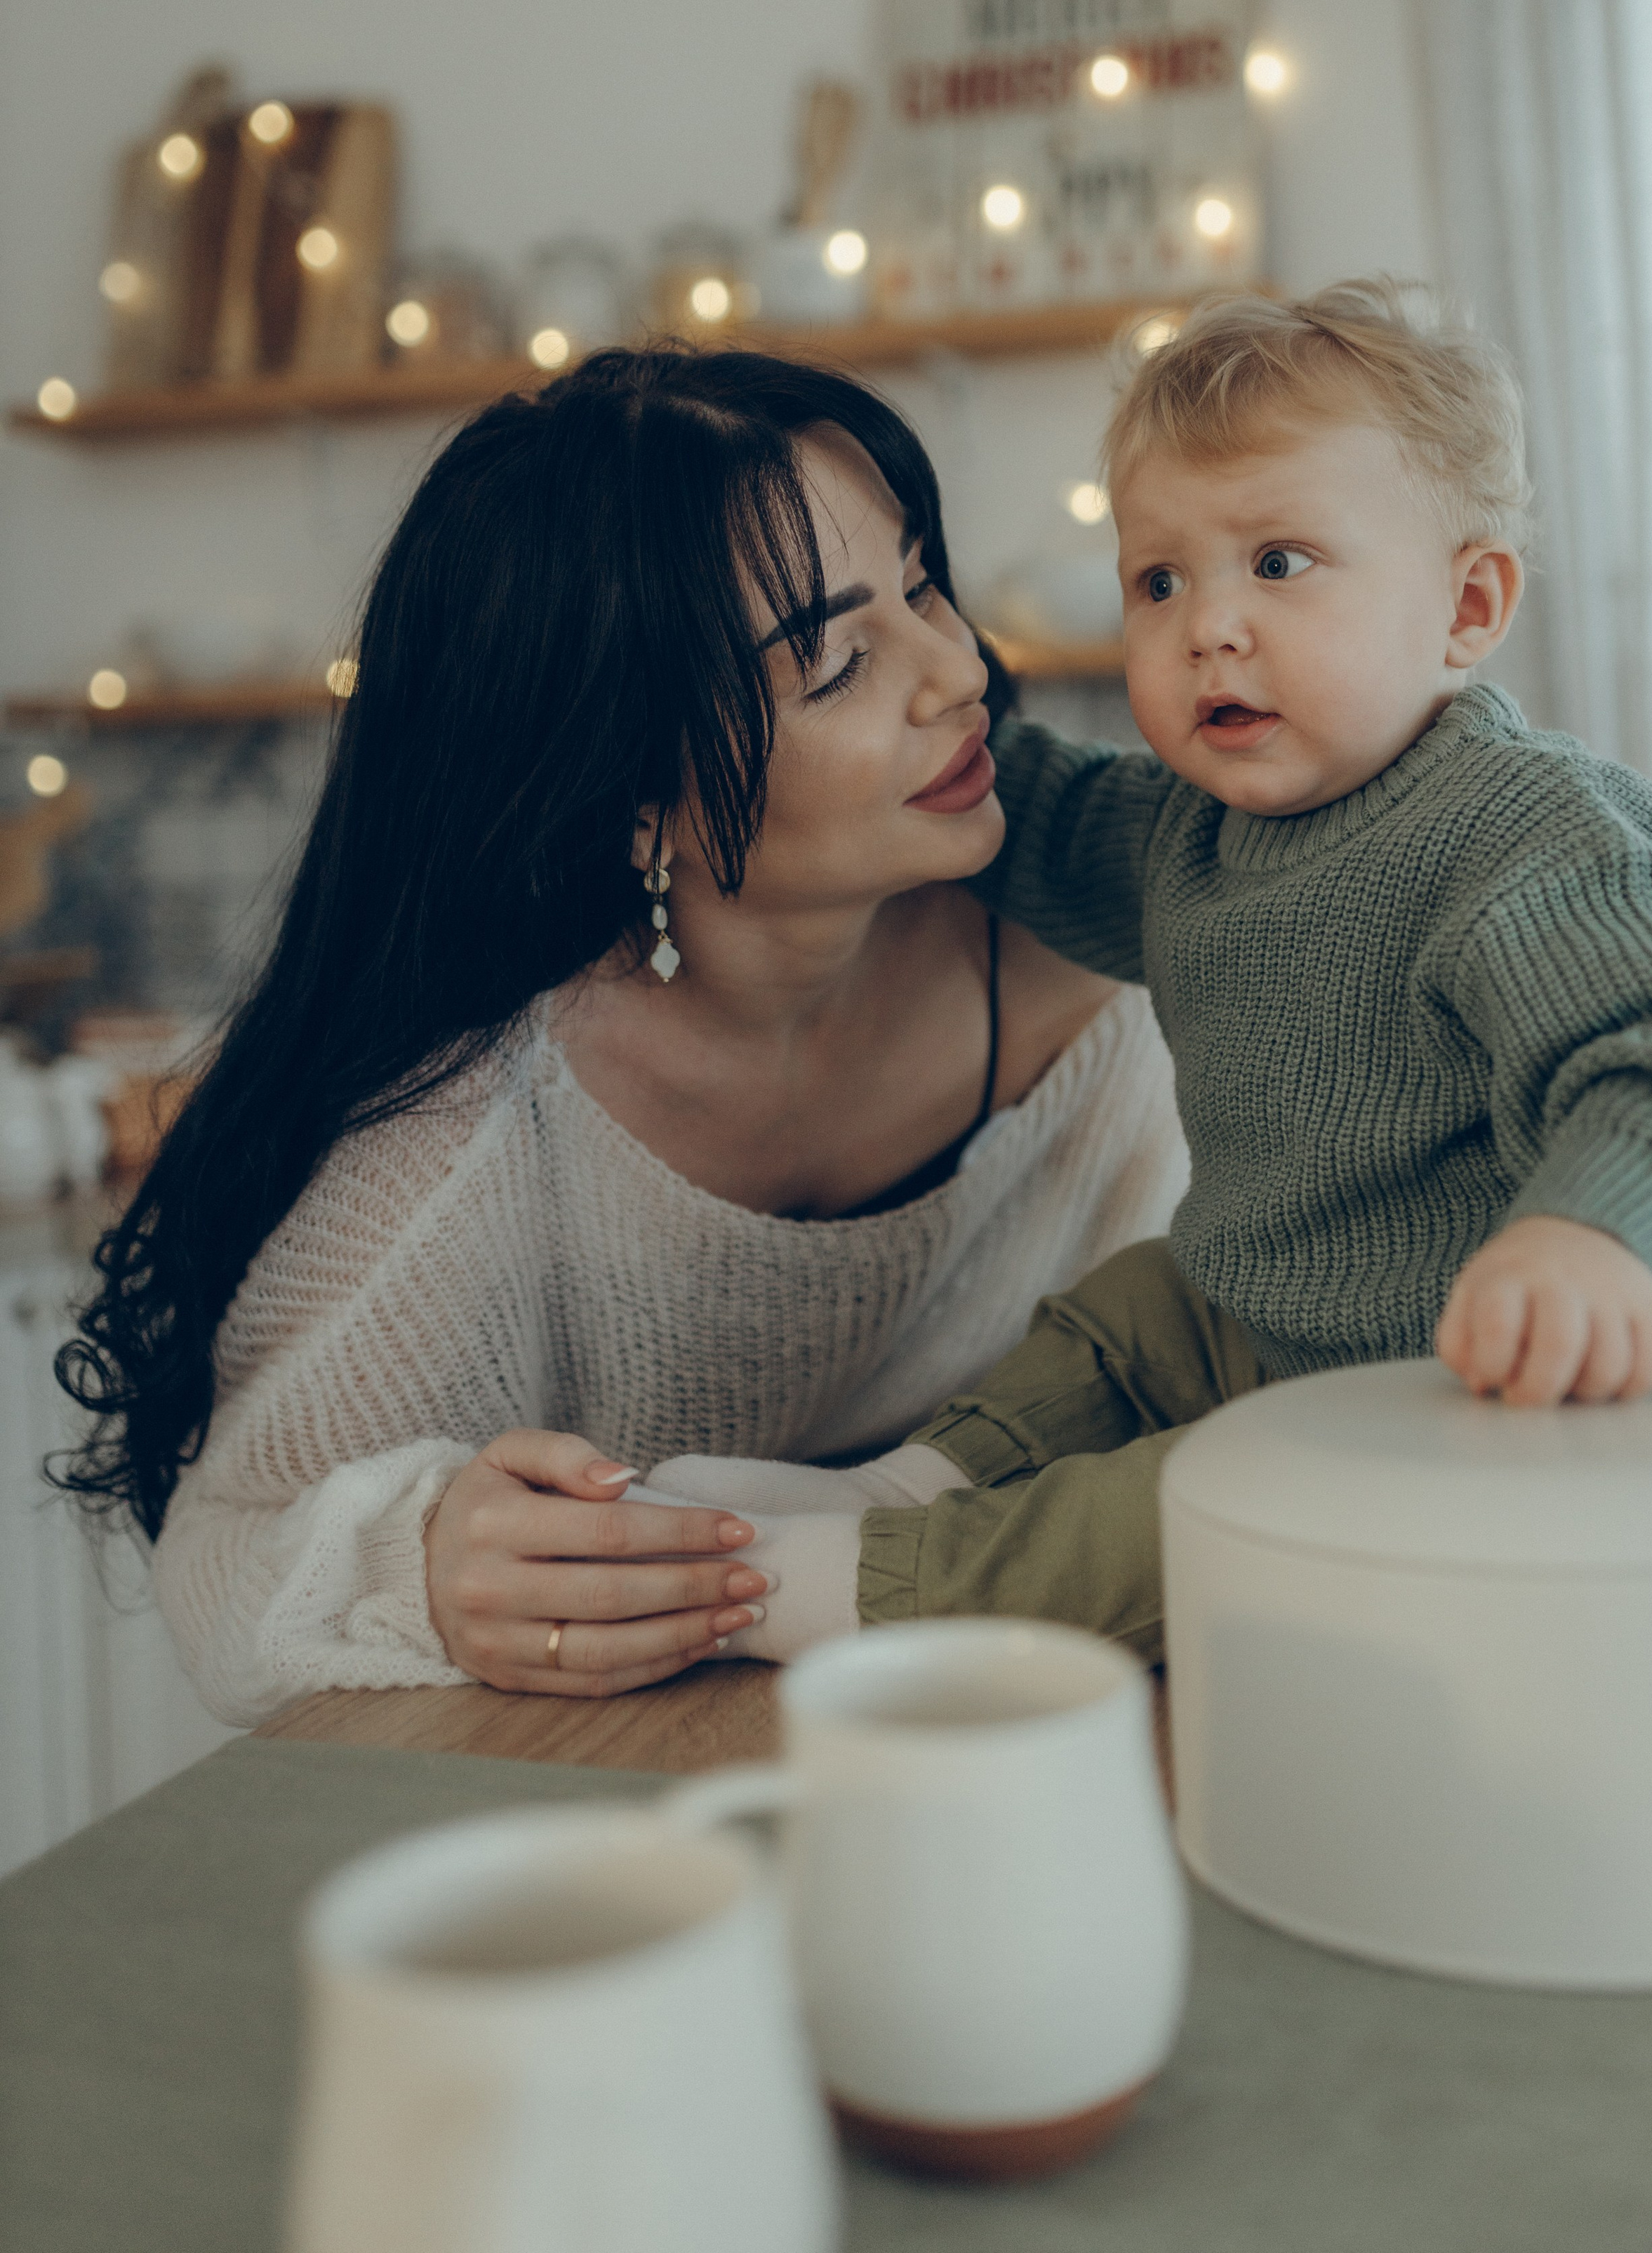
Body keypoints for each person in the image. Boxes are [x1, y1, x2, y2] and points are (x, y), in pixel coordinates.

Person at [645, 281, 1652, 1665]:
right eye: (1157, 580)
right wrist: (810, 722)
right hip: (1283, 1319)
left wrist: (1594, 1239)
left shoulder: (1525, 832)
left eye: (1278, 563)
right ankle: (901, 1483)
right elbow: (1032, 809)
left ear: (1465, 603)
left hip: (1500, 1412)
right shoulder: (1190, 830)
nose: (1208, 628)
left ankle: (854, 1587)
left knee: (1189, 1509)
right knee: (1135, 1307)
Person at [49, 347, 1185, 1726]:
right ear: (628, 794)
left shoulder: (1106, 1003)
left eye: (921, 581)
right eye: (834, 663)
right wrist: (418, 1568)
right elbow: (226, 1564)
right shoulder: (480, 1132)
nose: (957, 674)